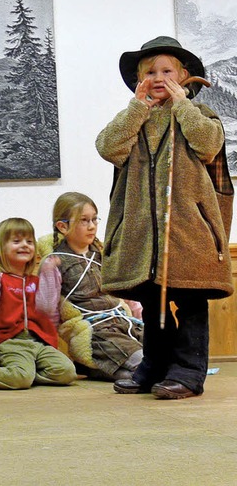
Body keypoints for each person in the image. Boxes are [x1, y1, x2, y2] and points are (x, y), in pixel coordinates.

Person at [95, 36, 234, 399]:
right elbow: (108, 147)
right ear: (139, 80)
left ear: (184, 76)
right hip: (144, 233)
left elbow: (208, 144)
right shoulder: (133, 119)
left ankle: (188, 372)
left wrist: (182, 105)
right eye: (150, 72)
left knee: (189, 301)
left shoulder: (199, 115)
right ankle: (153, 366)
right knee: (153, 299)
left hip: (189, 229)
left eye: (167, 71)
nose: (159, 77)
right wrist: (137, 108)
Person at [0, 218, 77, 390]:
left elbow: (48, 307)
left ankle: (23, 373)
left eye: (29, 241)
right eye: (16, 241)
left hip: (39, 342)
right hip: (10, 342)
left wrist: (48, 271)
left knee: (67, 372)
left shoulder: (35, 281)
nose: (25, 245)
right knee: (21, 378)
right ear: (0, 248)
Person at [36, 192, 144, 382]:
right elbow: (46, 308)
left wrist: (139, 319)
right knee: (139, 360)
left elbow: (125, 292)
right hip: (95, 330)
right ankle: (126, 371)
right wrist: (49, 347)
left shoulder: (103, 254)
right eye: (84, 221)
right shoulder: (54, 261)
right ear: (62, 226)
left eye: (94, 219)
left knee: (166, 354)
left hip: (124, 322)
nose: (92, 226)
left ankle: (110, 371)